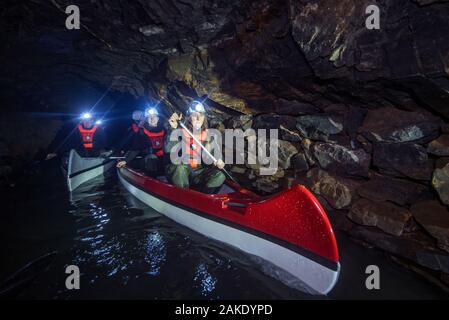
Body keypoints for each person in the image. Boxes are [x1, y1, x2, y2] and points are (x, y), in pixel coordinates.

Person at [165, 101, 226, 194]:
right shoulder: (178, 132)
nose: (198, 118)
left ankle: (204, 198)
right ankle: (182, 196)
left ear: (204, 117)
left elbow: (215, 155)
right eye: (194, 115)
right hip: (180, 170)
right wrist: (172, 129)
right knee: (180, 168)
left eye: (201, 115)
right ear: (189, 117)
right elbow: (168, 149)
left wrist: (219, 161)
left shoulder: (208, 136)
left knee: (219, 175)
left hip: (197, 171)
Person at [116, 107, 166, 177]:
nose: (152, 119)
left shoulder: (164, 130)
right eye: (149, 117)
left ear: (158, 118)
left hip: (161, 158)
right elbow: (136, 149)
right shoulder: (141, 132)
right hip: (146, 159)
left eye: (154, 117)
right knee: (152, 158)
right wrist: (126, 160)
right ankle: (152, 179)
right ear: (146, 119)